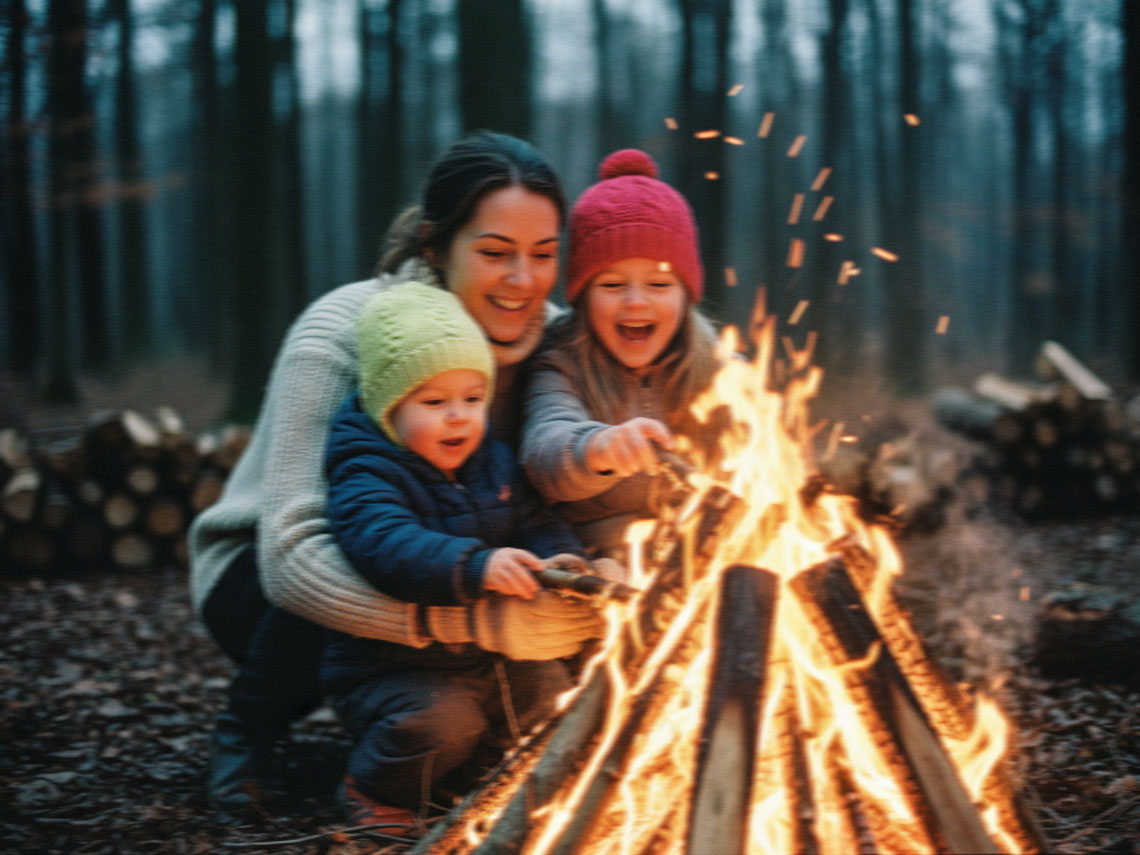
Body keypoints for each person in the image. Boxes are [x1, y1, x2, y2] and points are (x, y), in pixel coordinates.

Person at [188, 131, 604, 820]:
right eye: (495, 253)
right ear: (435, 248)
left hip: (455, 553)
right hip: (271, 581)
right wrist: (480, 621)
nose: (523, 281)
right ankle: (245, 744)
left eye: (544, 254)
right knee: (347, 572)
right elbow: (294, 559)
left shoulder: (551, 337)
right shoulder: (345, 327)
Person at [321, 281, 597, 827]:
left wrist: (561, 559)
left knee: (550, 696)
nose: (459, 417)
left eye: (473, 398)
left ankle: (490, 789)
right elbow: (384, 542)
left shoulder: (489, 458)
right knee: (445, 720)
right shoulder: (367, 468)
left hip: (483, 656)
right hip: (393, 669)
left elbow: (534, 519)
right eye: (434, 401)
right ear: (388, 406)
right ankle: (373, 788)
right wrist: (477, 566)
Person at [521, 149, 722, 558]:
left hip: (698, 555)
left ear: (687, 296)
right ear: (582, 298)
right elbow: (544, 448)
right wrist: (599, 448)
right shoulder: (560, 361)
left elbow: (760, 447)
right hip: (601, 559)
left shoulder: (718, 368)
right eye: (612, 285)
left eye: (659, 285)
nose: (636, 302)